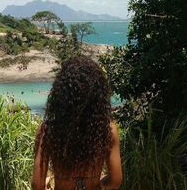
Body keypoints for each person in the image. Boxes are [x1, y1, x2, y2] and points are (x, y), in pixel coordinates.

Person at [32, 55, 122, 190]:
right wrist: (98, 183)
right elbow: (115, 181)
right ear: (98, 96)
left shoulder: (48, 130)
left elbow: (37, 185)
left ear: (61, 94)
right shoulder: (107, 130)